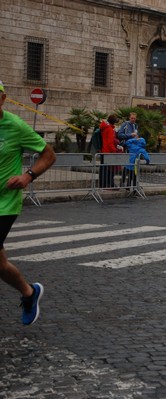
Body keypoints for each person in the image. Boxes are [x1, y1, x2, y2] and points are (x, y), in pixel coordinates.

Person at [0, 79, 56, 325]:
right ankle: (29, 292)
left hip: (5, 203)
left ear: (2, 99)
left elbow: (49, 154)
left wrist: (27, 176)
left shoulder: (15, 126)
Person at [98, 114, 120, 188]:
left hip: (103, 151)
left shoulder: (104, 128)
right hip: (108, 152)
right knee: (108, 170)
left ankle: (102, 184)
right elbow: (110, 143)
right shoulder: (110, 129)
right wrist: (115, 151)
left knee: (103, 169)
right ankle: (106, 184)